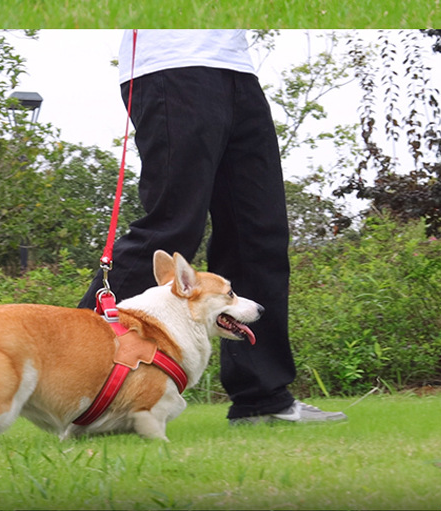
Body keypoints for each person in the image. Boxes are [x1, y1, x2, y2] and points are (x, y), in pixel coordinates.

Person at [80, 29, 346, 424]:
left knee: (257, 234)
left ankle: (262, 399)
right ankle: (70, 370)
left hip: (237, 68)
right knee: (172, 230)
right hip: (172, 64)